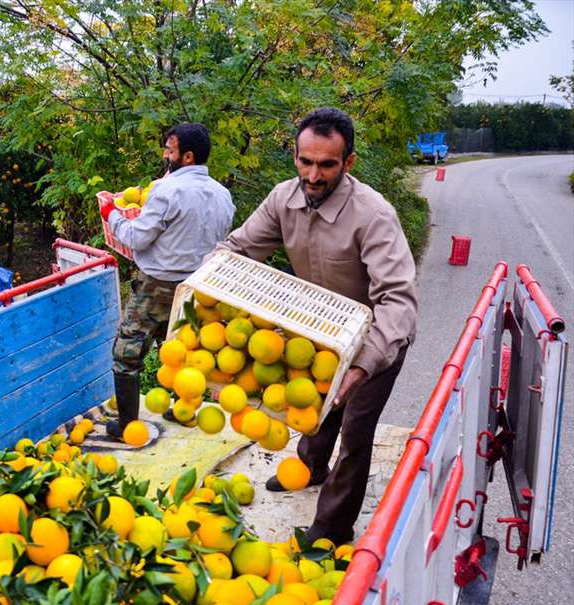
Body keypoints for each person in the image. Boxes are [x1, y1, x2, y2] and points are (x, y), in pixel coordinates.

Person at [213, 107, 417, 545]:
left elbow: (397, 300)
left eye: (327, 164)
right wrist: (207, 280)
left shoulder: (372, 214)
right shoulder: (283, 199)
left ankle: (333, 528)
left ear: (348, 163)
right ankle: (308, 469)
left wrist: (362, 367)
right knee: (318, 410)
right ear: (295, 155)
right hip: (323, 332)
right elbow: (240, 249)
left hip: (376, 337)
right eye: (305, 161)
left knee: (355, 431)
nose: (313, 174)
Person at [101, 122, 235, 439]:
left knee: (126, 353)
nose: (165, 154)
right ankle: (183, 411)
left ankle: (126, 426)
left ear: (187, 156)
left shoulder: (167, 190)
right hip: (199, 287)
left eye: (170, 150)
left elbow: (136, 237)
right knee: (182, 351)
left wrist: (112, 214)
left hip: (156, 286)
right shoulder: (222, 194)